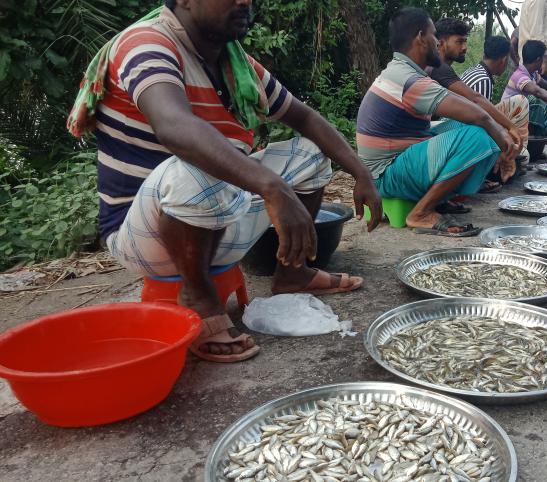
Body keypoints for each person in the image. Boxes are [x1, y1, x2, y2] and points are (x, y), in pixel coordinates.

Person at [65, 0, 383, 363]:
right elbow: (173, 126)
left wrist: (361, 173)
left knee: (309, 154)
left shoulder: (236, 64)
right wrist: (273, 186)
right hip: (144, 235)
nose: (244, 1)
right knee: (199, 167)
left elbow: (305, 118)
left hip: (214, 215)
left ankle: (292, 273)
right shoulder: (147, 43)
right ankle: (198, 297)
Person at [356, 8, 515, 237]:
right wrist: (502, 137)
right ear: (421, 38)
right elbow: (479, 114)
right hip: (384, 175)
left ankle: (438, 199)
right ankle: (421, 213)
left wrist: (497, 134)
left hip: (392, 163)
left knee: (473, 129)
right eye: (434, 36)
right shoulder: (409, 79)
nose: (438, 43)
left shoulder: (402, 71)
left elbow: (471, 113)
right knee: (479, 135)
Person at [429, 21, 527, 195]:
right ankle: (471, 178)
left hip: (434, 130)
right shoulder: (437, 67)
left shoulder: (444, 69)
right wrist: (509, 128)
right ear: (441, 43)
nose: (464, 47)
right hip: (426, 135)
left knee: (486, 126)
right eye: (459, 42)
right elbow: (475, 100)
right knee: (480, 127)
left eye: (465, 41)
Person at [518, 0, 547, 84]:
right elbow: (536, 34)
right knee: (545, 90)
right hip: (538, 59)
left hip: (534, 58)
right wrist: (543, 60)